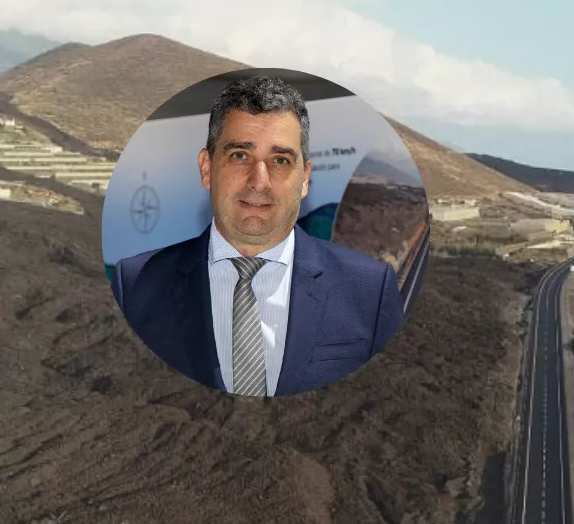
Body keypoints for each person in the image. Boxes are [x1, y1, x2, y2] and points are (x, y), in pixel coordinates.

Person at [110, 75, 404, 397]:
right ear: (207, 169)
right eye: (239, 155)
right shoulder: (135, 285)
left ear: (305, 178)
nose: (259, 181)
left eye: (280, 160)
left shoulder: (370, 292)